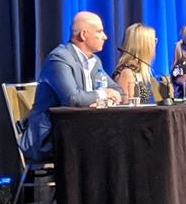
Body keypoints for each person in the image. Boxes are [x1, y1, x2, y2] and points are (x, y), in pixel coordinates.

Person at [19, 12, 124, 162]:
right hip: (50, 137)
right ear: (83, 35)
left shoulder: (94, 61)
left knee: (119, 140)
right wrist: (103, 94)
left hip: (80, 131)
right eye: (99, 31)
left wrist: (109, 99)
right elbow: (73, 98)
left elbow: (117, 90)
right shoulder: (59, 58)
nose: (105, 36)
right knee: (108, 145)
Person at [111, 22, 157, 104]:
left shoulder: (139, 70)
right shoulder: (127, 73)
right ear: (145, 46)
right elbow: (126, 107)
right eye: (154, 41)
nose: (155, 44)